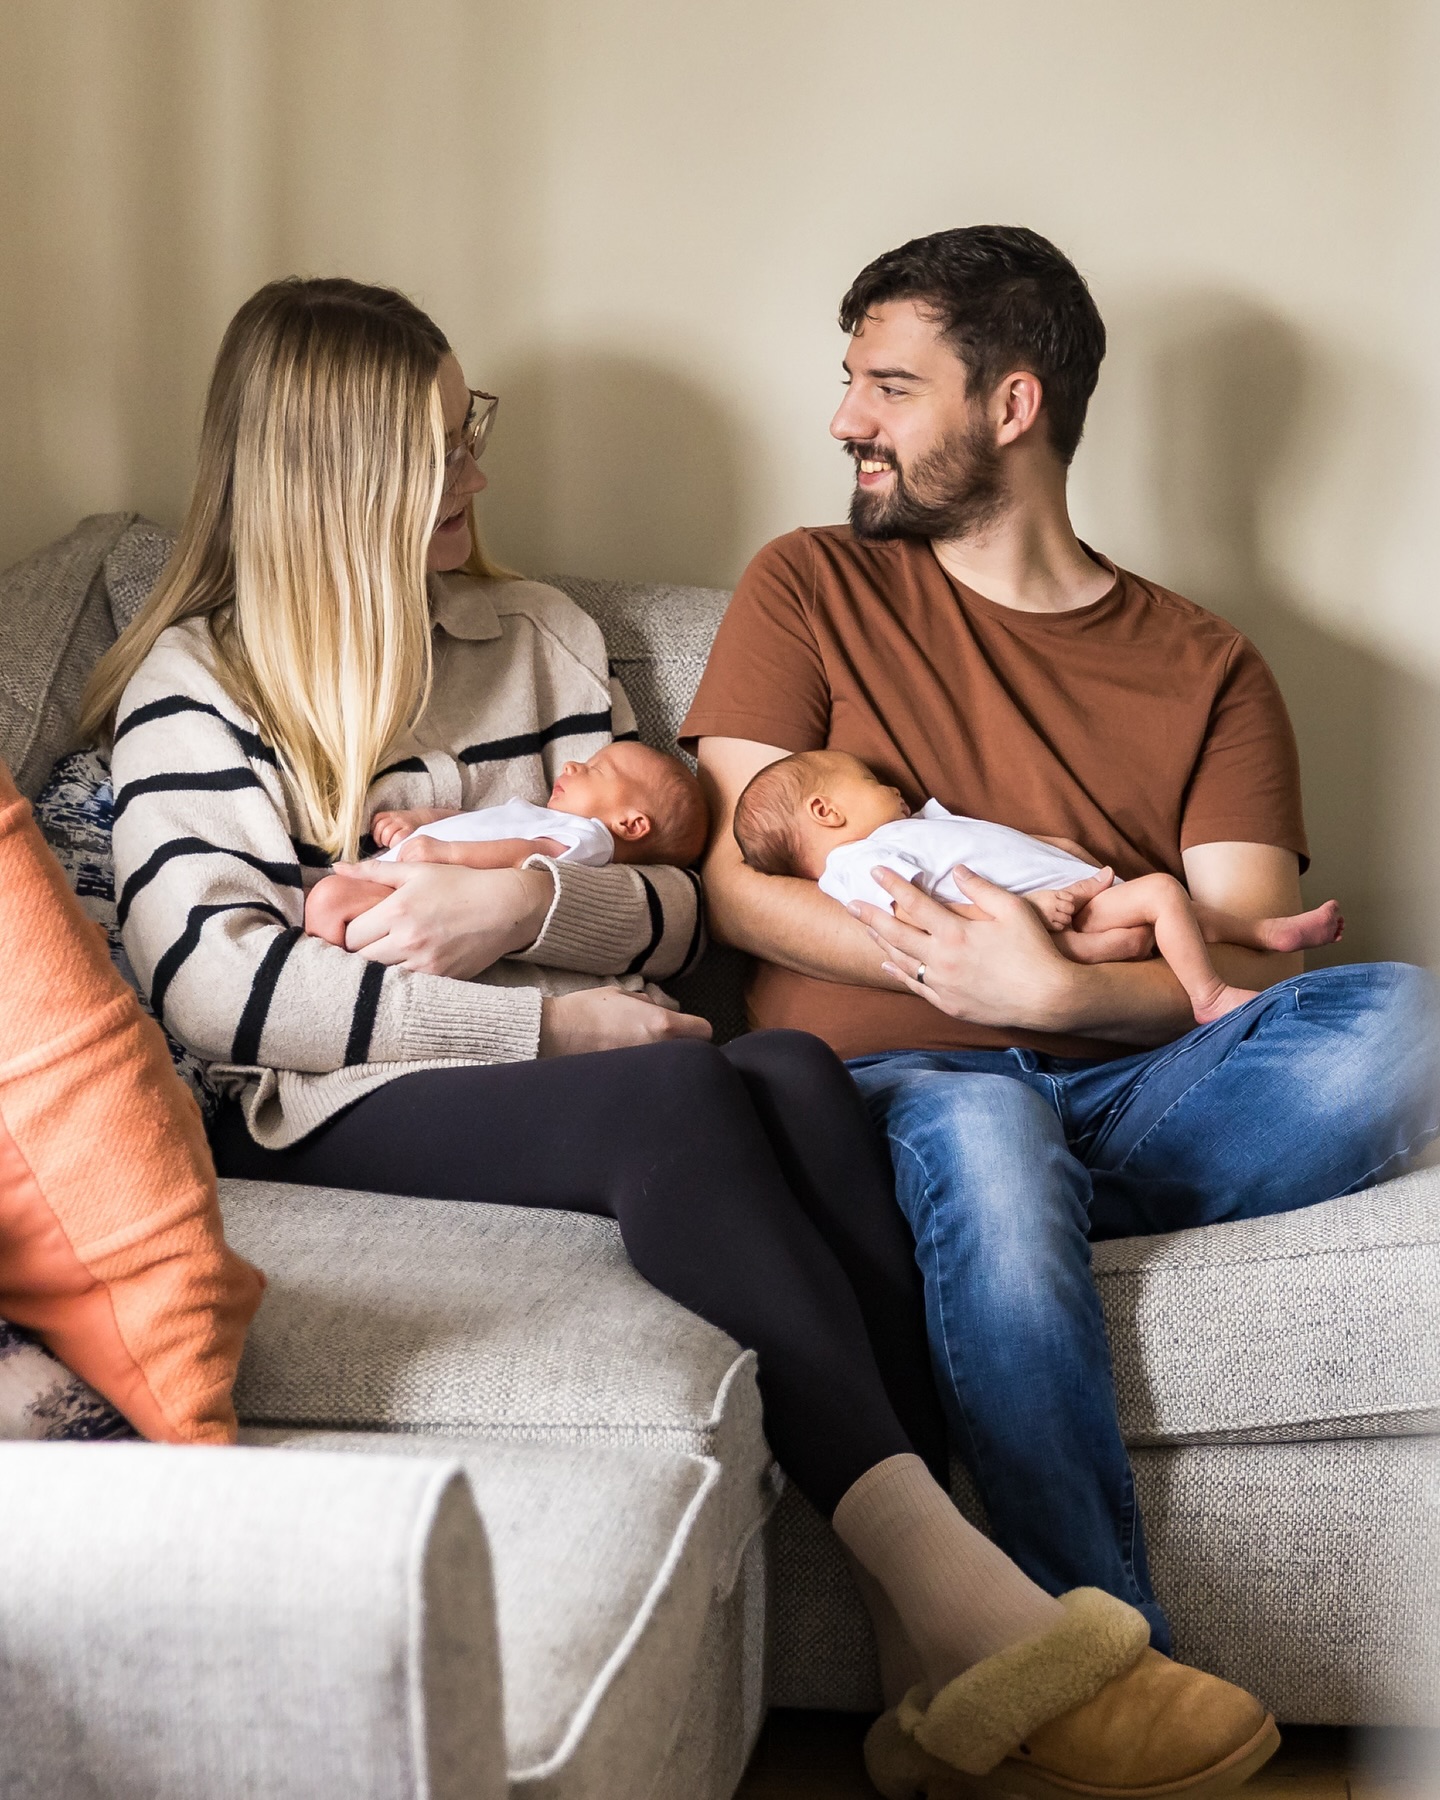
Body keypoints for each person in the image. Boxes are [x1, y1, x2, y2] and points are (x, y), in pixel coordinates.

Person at [79, 276, 1280, 1800]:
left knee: (781, 1071)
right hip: (327, 1095)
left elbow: (674, 913)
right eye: (441, 448)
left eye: (472, 434)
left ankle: (930, 1677)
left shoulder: (536, 634)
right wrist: (557, 1023)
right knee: (672, 1095)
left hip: (579, 1042)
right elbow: (221, 993)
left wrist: (519, 911)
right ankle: (966, 1613)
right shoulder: (201, 687)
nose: (479, 474)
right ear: (335, 469)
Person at [684, 227, 1439, 1670]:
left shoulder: (1206, 665)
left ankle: (1006, 1242)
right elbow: (738, 890)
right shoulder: (808, 584)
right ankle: (1100, 1678)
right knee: (989, 1130)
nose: (847, 418)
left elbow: (1258, 968)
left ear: (1011, 406)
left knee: (1403, 1015)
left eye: (891, 387)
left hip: (1123, 1090)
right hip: (902, 1095)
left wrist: (1063, 991)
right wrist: (942, 973)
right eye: (852, 380)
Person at [734, 748, 1345, 1026]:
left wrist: (1055, 851)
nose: (890, 787)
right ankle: (1207, 996)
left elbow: (986, 850)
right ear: (824, 811)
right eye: (867, 780)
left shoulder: (905, 832)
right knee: (1162, 894)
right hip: (1040, 924)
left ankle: (1267, 930)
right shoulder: (856, 863)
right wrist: (1029, 908)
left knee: (1165, 914)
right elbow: (929, 915)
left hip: (1069, 899)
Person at [305, 739, 707, 947]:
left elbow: (527, 856)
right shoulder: (549, 819)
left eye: (597, 769)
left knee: (328, 897)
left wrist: (446, 852)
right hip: (411, 871)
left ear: (631, 824)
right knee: (329, 897)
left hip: (424, 890)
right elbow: (477, 823)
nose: (572, 764)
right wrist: (420, 821)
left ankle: (328, 976)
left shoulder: (589, 838)